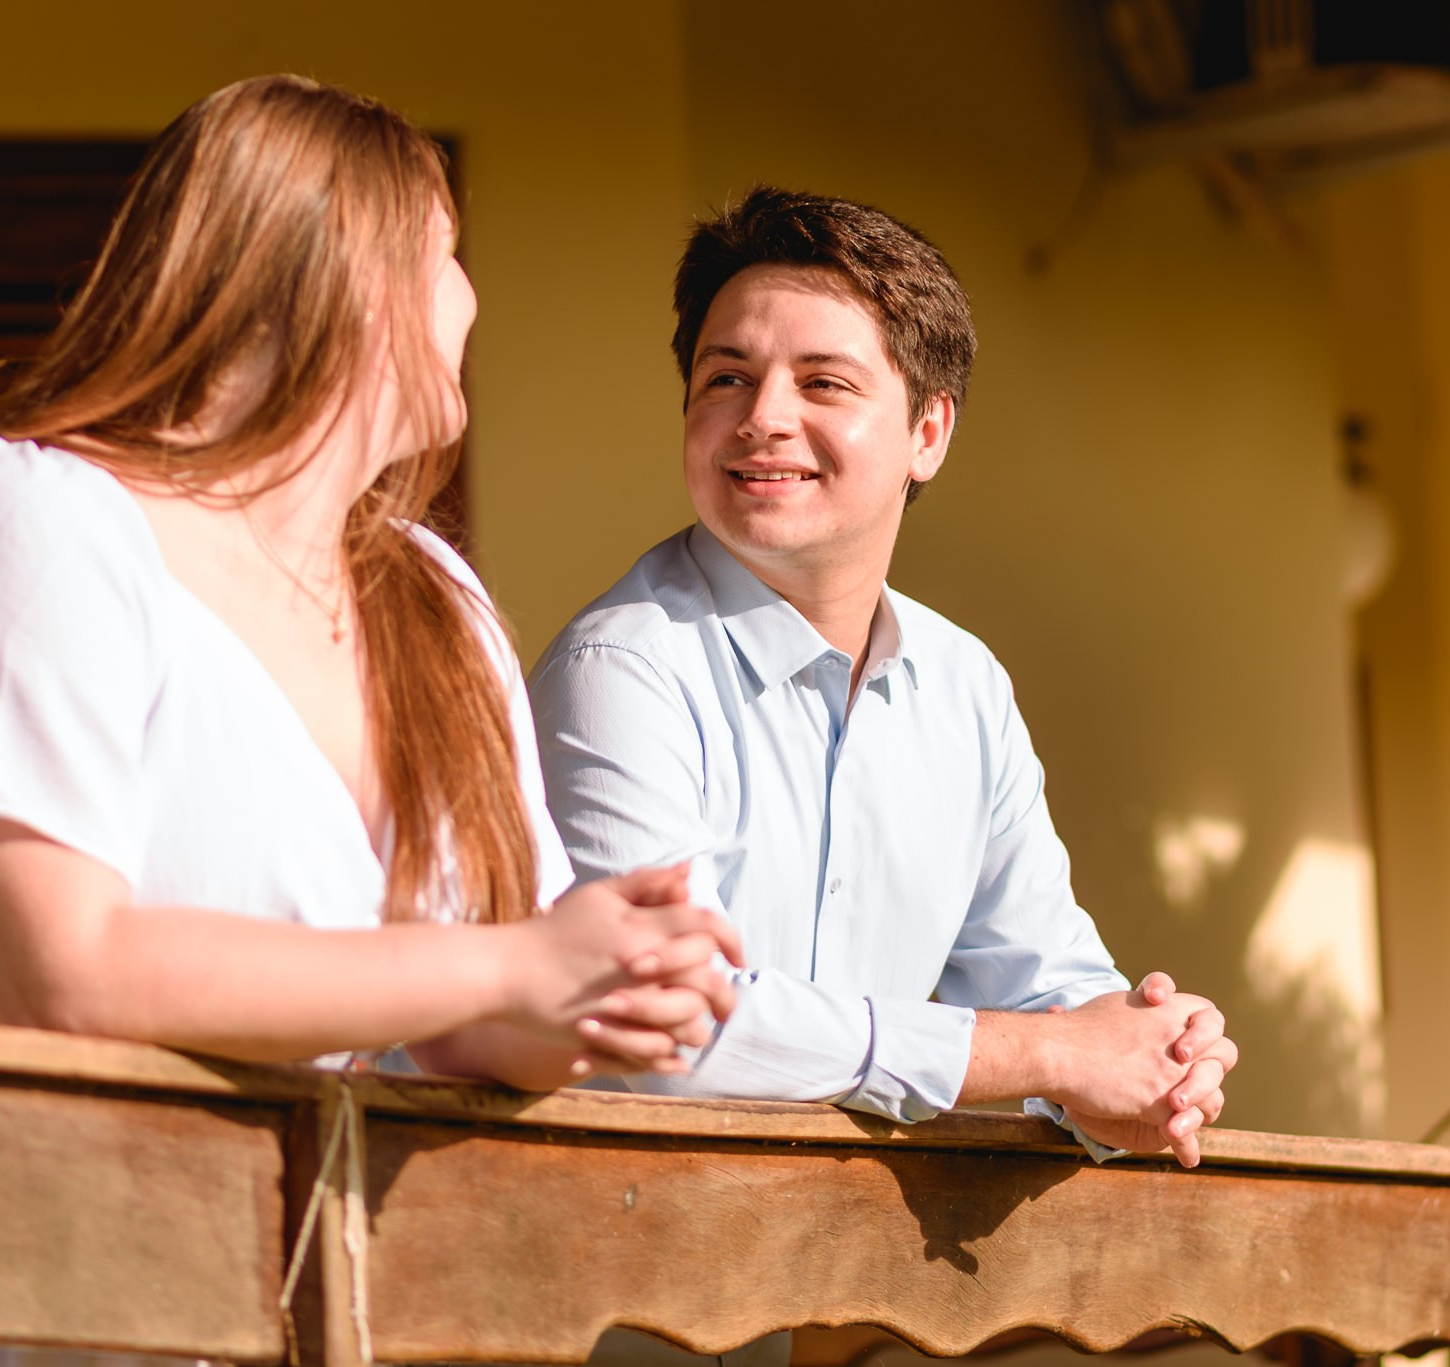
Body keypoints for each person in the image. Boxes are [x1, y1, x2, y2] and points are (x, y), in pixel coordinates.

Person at [0, 76, 740, 1367]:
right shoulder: (21, 520)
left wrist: (615, 983)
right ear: (356, 270)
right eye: (448, 253)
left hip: (220, 1305)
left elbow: (458, 1012)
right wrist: (517, 965)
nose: (474, 299)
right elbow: (69, 972)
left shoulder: (436, 606)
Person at [529, 186, 1239, 1176]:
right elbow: (667, 1027)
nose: (761, 418)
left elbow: (1046, 980)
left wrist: (1156, 1058)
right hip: (587, 1294)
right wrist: (1052, 1053)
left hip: (809, 1298)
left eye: (822, 383)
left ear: (927, 433)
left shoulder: (963, 686)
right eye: (725, 376)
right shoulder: (620, 668)